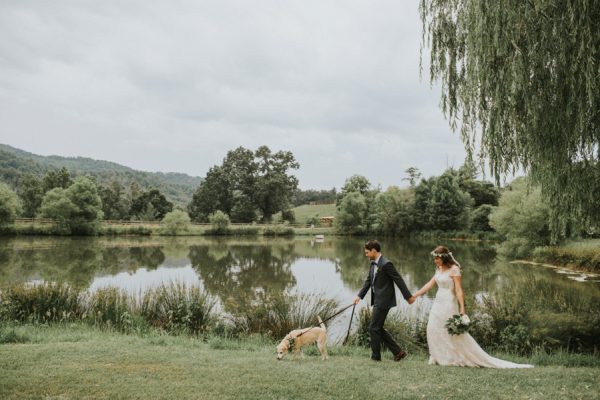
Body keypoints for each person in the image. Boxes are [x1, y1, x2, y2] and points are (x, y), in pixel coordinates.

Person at [410, 245, 533, 368]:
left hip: (449, 302)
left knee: (450, 330)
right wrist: (414, 296)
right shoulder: (439, 269)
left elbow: (458, 290)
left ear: (444, 258)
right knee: (433, 328)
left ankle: (454, 357)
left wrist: (462, 309)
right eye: (435, 258)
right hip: (437, 302)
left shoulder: (454, 269)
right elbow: (429, 284)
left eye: (437, 258)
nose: (435, 261)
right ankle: (438, 356)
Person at [353, 240, 415, 362]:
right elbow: (368, 281)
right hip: (377, 299)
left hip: (384, 300)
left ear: (374, 251)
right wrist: (359, 296)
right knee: (378, 327)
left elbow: (399, 280)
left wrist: (408, 297)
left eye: (367, 252)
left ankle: (376, 357)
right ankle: (398, 352)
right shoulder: (373, 264)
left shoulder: (387, 264)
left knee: (373, 328)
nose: (365, 255)